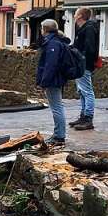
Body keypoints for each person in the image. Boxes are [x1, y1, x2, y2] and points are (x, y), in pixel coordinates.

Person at [36, 18, 70, 146]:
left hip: (53, 80)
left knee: (57, 107)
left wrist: (44, 82)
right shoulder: (57, 41)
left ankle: (59, 136)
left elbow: (50, 65)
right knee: (57, 106)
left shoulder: (52, 44)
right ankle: (58, 134)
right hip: (58, 78)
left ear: (44, 29)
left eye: (41, 28)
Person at [71, 8, 99, 131]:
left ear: (80, 16)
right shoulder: (84, 29)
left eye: (75, 14)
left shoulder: (88, 29)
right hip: (80, 64)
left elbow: (89, 48)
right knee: (81, 91)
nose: (74, 17)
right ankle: (83, 116)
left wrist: (83, 62)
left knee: (87, 91)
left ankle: (88, 118)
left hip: (84, 65)